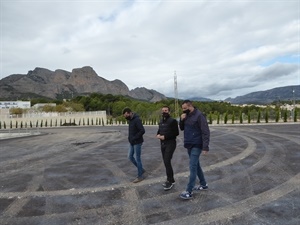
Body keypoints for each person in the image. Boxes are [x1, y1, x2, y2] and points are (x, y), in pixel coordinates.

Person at [178, 100, 210, 200]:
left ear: (190, 106)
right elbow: (182, 128)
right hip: (189, 144)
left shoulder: (199, 116)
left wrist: (205, 147)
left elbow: (205, 132)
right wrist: (181, 120)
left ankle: (189, 191)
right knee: (197, 165)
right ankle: (203, 184)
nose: (183, 110)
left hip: (197, 144)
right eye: (182, 109)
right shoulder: (186, 116)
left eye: (185, 108)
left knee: (192, 166)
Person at [156, 106, 179, 191]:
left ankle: (170, 181)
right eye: (163, 111)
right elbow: (159, 130)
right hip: (162, 144)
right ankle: (171, 179)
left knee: (167, 161)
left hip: (170, 143)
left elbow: (176, 133)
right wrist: (158, 135)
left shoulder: (173, 121)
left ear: (169, 111)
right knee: (166, 162)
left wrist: (165, 137)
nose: (164, 112)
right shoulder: (161, 121)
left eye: (166, 110)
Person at [122, 107, 146, 183]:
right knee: (130, 156)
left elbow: (142, 130)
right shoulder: (131, 120)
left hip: (137, 142)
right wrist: (130, 138)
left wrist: (135, 138)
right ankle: (141, 169)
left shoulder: (137, 120)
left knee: (137, 158)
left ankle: (140, 176)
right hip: (132, 142)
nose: (125, 117)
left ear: (129, 113)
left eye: (126, 115)